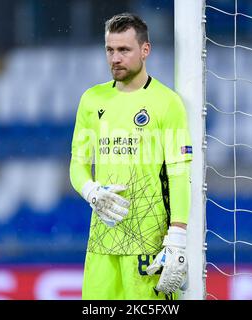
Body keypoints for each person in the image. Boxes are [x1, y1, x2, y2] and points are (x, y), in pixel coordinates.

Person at [69, 12, 192, 300]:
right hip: (101, 241)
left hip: (148, 243)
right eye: (110, 50)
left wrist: (177, 236)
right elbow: (78, 163)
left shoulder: (167, 103)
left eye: (124, 50)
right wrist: (91, 191)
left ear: (145, 50)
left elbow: (178, 171)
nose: (115, 58)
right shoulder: (92, 100)